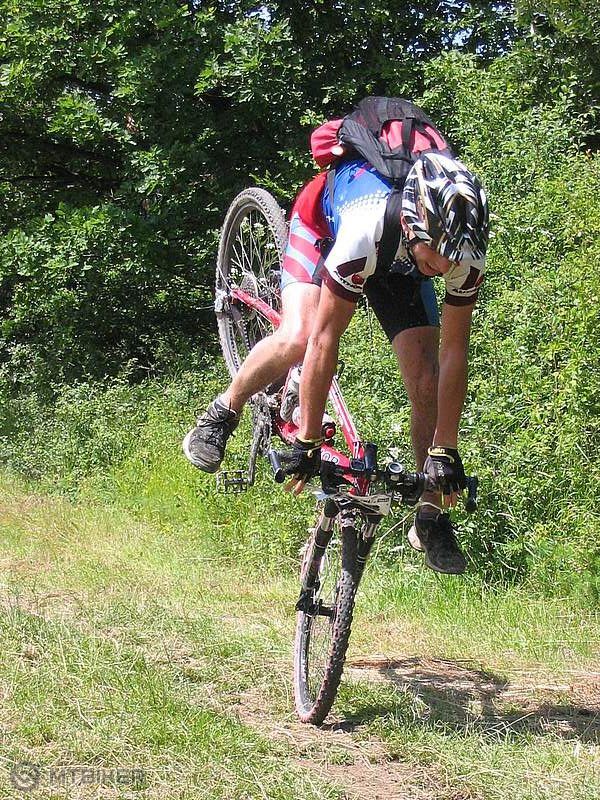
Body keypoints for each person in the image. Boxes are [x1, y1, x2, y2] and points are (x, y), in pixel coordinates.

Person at [183, 108, 489, 575]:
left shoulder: (459, 251)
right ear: (413, 223)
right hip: (324, 232)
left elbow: (454, 352)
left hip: (400, 263)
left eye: (454, 259)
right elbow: (325, 342)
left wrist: (445, 450)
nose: (447, 267)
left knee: (426, 380)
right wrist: (307, 442)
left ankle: (430, 516)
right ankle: (222, 412)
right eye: (439, 256)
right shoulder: (365, 228)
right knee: (299, 335)